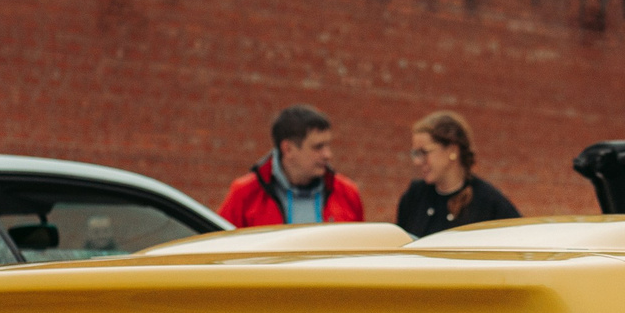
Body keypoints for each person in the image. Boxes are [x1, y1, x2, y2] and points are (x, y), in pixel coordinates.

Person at [219, 105, 366, 228]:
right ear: (288, 149)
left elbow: (362, 253)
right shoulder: (245, 194)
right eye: (318, 147)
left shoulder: (347, 193)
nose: (328, 155)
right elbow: (217, 247)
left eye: (327, 145)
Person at [396, 110, 520, 237]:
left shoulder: (489, 202)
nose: (417, 161)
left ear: (453, 150)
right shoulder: (414, 196)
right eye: (415, 154)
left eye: (424, 152)